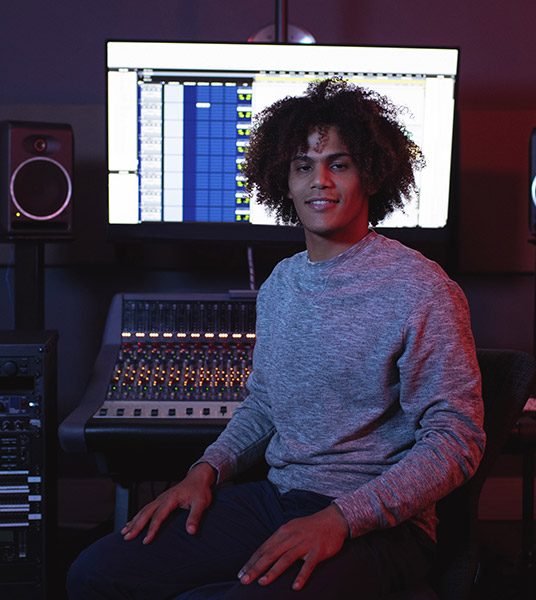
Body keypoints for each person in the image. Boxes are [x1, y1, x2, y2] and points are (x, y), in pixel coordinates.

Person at [67, 78, 485, 599]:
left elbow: (457, 439)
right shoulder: (281, 284)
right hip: (277, 500)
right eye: (303, 166)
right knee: (96, 574)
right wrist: (206, 470)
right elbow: (264, 404)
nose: (320, 181)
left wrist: (341, 518)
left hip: (380, 528)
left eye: (339, 164)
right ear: (283, 182)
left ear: (371, 175)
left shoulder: (421, 287)